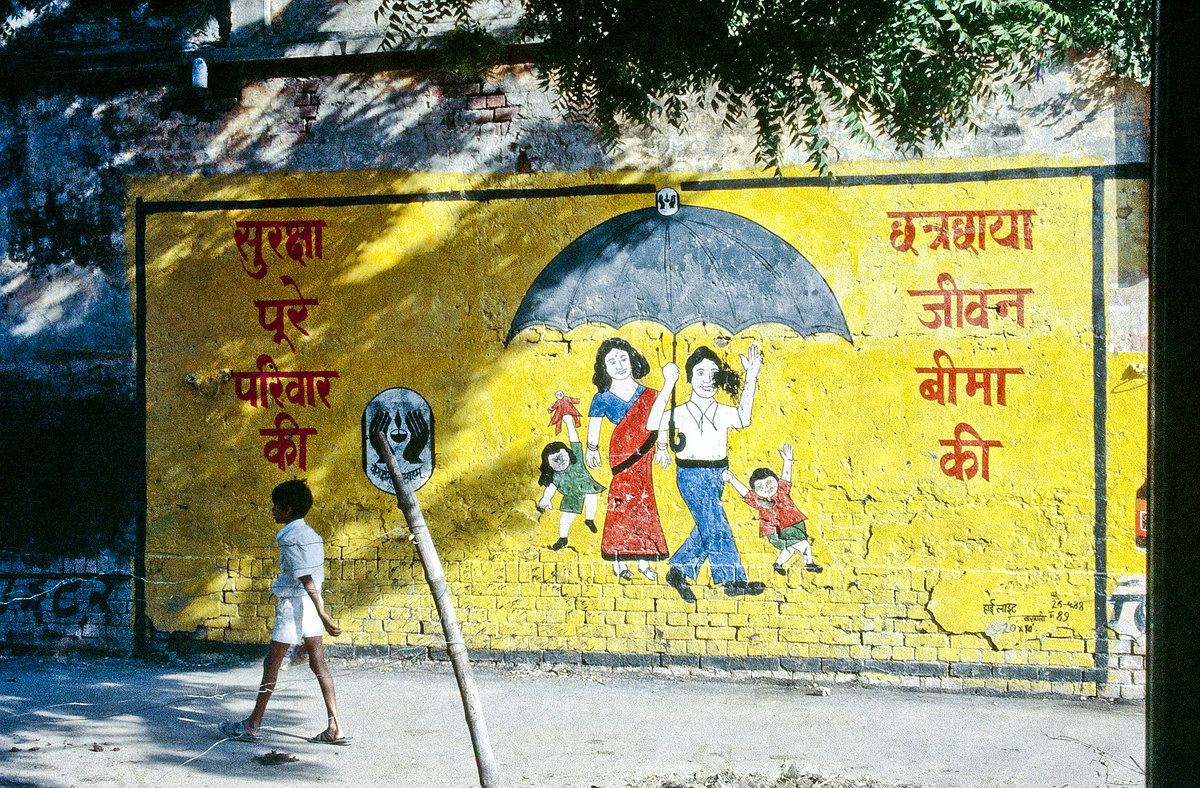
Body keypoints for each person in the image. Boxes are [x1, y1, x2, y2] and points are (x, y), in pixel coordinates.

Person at [218, 480, 350, 745]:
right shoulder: (312, 535)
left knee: (272, 663)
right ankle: (335, 726)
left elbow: (304, 576)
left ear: (287, 509)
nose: (272, 511)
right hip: (311, 605)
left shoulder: (289, 537)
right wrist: (319, 610)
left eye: (276, 506)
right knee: (318, 663)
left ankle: (253, 724)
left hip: (295, 605)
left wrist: (323, 614)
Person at [647, 344, 766, 602]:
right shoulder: (681, 411)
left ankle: (679, 570)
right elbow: (652, 423)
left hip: (718, 474)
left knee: (708, 527)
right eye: (700, 373)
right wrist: (668, 383)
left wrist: (752, 376)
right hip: (691, 475)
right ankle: (732, 579)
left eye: (713, 373)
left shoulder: (722, 411)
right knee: (717, 524)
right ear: (689, 378)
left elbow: (744, 418)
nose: (707, 379)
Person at [585, 337, 670, 581]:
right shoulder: (601, 397)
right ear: (604, 367)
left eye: (623, 358)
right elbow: (594, 425)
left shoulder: (651, 394)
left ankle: (645, 561)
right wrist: (592, 449)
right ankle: (619, 561)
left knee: (645, 503)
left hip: (645, 451)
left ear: (633, 360)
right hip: (621, 453)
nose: (619, 365)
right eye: (612, 361)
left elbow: (661, 420)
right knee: (620, 503)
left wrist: (663, 447)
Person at [723, 443, 824, 576]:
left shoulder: (781, 491)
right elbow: (745, 493)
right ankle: (809, 564)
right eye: (760, 486)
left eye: (769, 482)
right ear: (755, 490)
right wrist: (732, 480)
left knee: (789, 549)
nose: (766, 488)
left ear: (776, 481)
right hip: (776, 530)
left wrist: (787, 461)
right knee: (803, 544)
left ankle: (778, 564)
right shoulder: (758, 500)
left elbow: (786, 477)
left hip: (793, 524)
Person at [537, 412, 605, 550]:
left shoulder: (577, 461)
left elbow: (574, 439)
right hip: (572, 496)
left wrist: (569, 423)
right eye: (554, 460)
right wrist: (545, 499)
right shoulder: (555, 476)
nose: (560, 461)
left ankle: (589, 519)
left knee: (592, 498)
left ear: (568, 453)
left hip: (586, 485)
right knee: (566, 518)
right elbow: (550, 489)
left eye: (561, 456)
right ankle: (563, 538)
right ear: (548, 464)